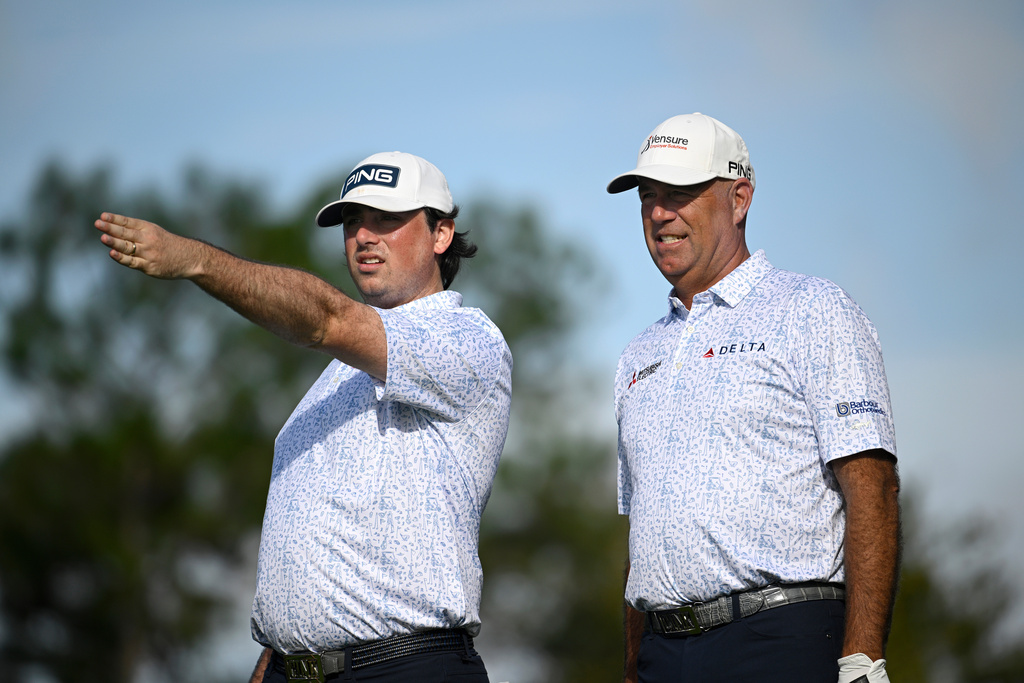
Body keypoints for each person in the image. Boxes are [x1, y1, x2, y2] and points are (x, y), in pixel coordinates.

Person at [94, 151, 512, 683]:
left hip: (406, 666)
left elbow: (325, 318)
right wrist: (274, 661)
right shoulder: (336, 380)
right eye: (352, 223)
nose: (363, 236)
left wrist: (196, 260)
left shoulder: (468, 339)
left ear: (441, 234)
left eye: (386, 219)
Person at [606, 114, 899, 683]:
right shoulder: (637, 355)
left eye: (681, 193)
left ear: (739, 198)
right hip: (663, 652)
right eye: (648, 196)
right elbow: (642, 537)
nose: (660, 213)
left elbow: (873, 488)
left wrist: (862, 659)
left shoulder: (813, 309)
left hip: (781, 639)